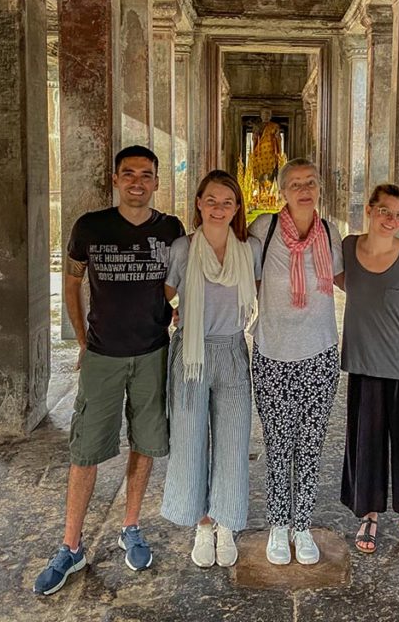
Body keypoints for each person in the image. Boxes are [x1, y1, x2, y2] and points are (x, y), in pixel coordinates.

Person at [34, 146, 185, 596]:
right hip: (102, 354)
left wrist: (175, 312)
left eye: (146, 174)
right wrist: (82, 340)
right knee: (86, 449)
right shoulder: (90, 227)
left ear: (157, 182)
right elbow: (73, 281)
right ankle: (70, 544)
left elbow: (179, 282)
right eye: (128, 174)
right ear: (115, 179)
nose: (137, 182)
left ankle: (131, 526)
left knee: (146, 442)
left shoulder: (171, 229)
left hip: (153, 351)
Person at [160, 170, 261, 568]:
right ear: (198, 203)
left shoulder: (247, 249)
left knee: (233, 441)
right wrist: (177, 315)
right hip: (191, 355)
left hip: (233, 351)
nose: (219, 209)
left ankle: (225, 522)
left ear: (237, 208)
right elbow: (163, 297)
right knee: (189, 440)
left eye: (227, 202)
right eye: (211, 201)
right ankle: (202, 523)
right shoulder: (183, 249)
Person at [248, 158, 344, 566]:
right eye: (295, 184)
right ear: (282, 192)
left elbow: (346, 279)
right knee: (277, 444)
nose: (304, 189)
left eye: (310, 182)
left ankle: (302, 524)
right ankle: (278, 525)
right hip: (273, 355)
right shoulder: (263, 230)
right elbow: (242, 276)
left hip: (320, 355)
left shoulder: (329, 232)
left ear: (319, 188)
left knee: (309, 446)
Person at [340, 184, 399, 560]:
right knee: (367, 445)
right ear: (370, 210)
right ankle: (368, 515)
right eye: (385, 212)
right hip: (364, 365)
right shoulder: (348, 248)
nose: (392, 220)